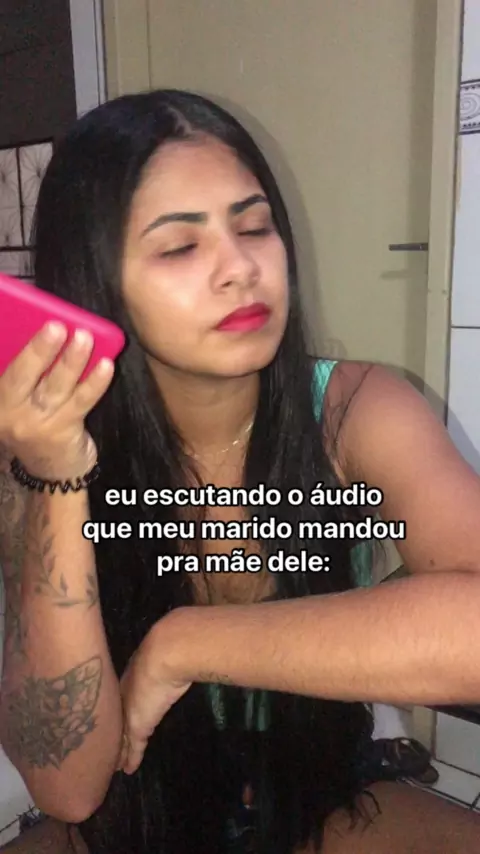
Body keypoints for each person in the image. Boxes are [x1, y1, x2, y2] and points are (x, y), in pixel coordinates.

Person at [0, 89, 480, 854]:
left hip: (321, 784)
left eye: (254, 227)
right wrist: (56, 474)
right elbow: (69, 786)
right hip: (134, 803)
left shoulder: (357, 408)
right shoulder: (33, 454)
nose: (240, 268)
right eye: (179, 247)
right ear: (95, 281)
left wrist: (188, 644)